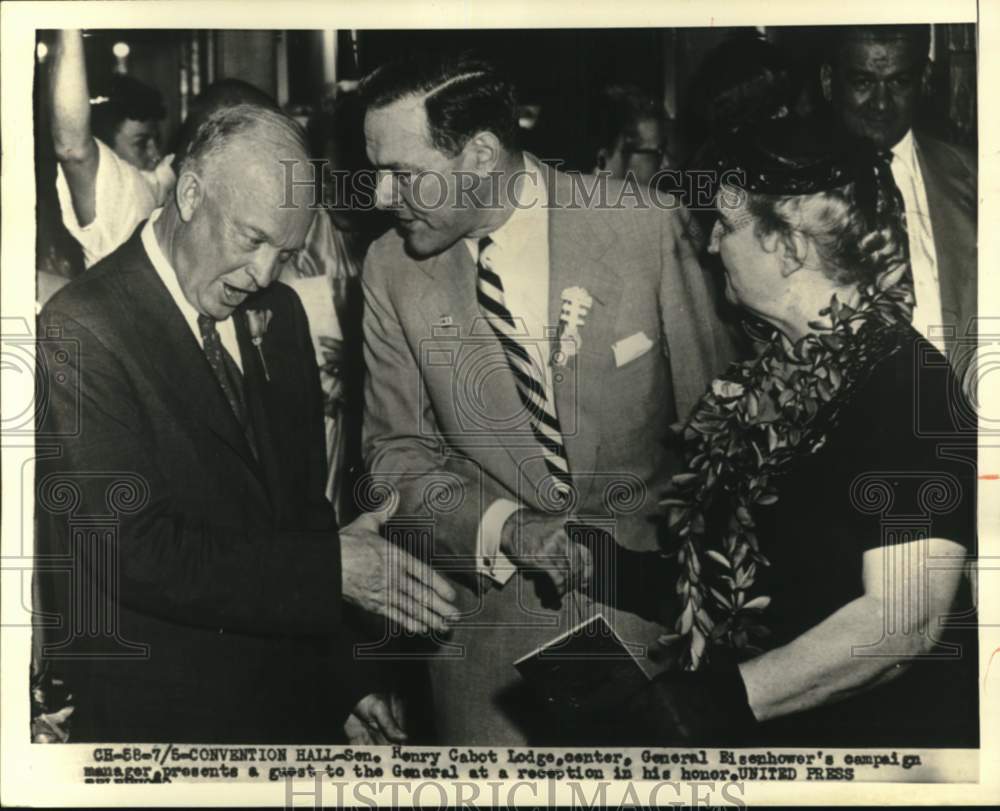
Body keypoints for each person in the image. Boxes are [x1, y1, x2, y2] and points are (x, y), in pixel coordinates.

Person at [541, 118, 977, 747]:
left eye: (727, 224)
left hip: (874, 754)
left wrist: (722, 699)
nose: (713, 245)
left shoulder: (910, 390)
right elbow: (738, 577)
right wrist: (597, 563)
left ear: (790, 247)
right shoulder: (770, 380)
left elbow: (902, 621)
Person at [36, 103, 458, 743]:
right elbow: (133, 551)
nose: (264, 273)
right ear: (190, 193)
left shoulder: (279, 314)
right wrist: (331, 572)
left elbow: (300, 516)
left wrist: (345, 680)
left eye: (285, 252)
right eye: (252, 239)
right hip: (163, 729)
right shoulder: (83, 327)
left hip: (287, 709)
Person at [358, 54, 735, 744]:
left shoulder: (644, 228)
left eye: (402, 173)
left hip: (651, 637)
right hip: (488, 657)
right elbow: (392, 459)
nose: (381, 195)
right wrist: (505, 526)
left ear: (478, 155)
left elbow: (719, 432)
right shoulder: (389, 269)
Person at [820, 24, 976, 388]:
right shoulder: (790, 194)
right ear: (829, 81)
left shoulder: (978, 175)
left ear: (924, 79)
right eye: (862, 82)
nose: (880, 103)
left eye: (898, 82)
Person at [50, 30, 175, 268]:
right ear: (104, 150)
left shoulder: (156, 181)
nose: (154, 153)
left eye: (155, 140)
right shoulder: (114, 194)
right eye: (141, 143)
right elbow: (73, 149)